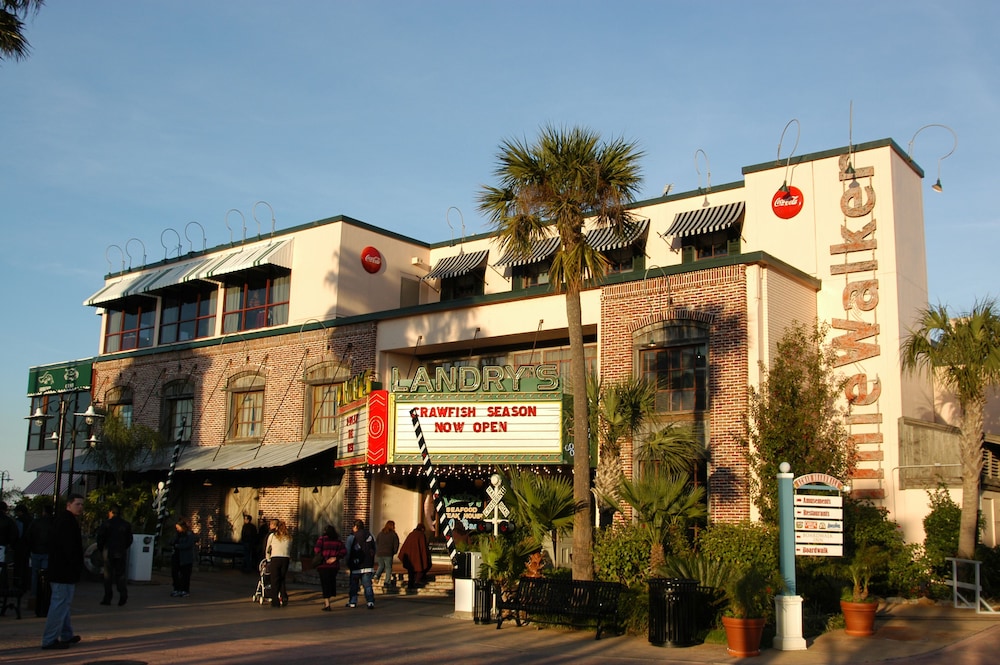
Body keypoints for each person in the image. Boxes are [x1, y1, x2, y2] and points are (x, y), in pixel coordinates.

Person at [40, 493, 85, 650]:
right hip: (64, 571)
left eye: (81, 504)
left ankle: (66, 634)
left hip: (61, 570)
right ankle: (49, 639)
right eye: (77, 504)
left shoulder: (64, 520)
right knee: (60, 604)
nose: (80, 507)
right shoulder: (67, 522)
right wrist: (76, 566)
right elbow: (69, 548)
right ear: (69, 505)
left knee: (63, 603)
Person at [96, 504, 133, 606]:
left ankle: (107, 597)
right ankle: (123, 594)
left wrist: (101, 549)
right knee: (120, 574)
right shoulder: (126, 525)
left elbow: (100, 538)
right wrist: (123, 547)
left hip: (108, 551)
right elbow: (129, 540)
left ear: (111, 512)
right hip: (121, 551)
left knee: (108, 575)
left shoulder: (106, 524)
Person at [25, 504, 54, 606]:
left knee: (35, 574)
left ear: (43, 511)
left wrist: (31, 547)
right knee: (45, 575)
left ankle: (34, 594)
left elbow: (29, 535)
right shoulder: (54, 523)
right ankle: (44, 594)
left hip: (36, 550)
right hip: (47, 551)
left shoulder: (36, 522)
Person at [313, 525, 347, 610]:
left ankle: (327, 603)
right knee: (331, 581)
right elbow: (344, 551)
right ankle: (330, 594)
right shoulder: (338, 541)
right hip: (334, 566)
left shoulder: (322, 539)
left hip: (323, 565)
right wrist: (336, 558)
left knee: (325, 584)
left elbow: (317, 549)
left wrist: (324, 557)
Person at [345, 519, 376, 609]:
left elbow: (348, 551)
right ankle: (370, 601)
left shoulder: (352, 537)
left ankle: (353, 601)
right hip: (368, 565)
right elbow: (374, 548)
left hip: (356, 565)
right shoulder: (370, 535)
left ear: (356, 527)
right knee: (367, 585)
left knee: (354, 585)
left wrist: (348, 562)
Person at [265, 519, 291, 607]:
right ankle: (284, 597)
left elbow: (268, 548)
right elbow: (289, 548)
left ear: (277, 528)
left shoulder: (273, 536)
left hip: (275, 558)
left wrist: (268, 559)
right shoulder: (288, 537)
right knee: (282, 578)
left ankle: (275, 600)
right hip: (285, 558)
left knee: (274, 579)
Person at [399, 523, 432, 589]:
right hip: (418, 557)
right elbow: (424, 547)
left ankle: (410, 584)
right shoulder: (421, 535)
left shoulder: (411, 534)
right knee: (421, 568)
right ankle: (416, 581)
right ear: (422, 529)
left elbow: (405, 546)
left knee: (411, 571)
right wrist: (426, 556)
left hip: (410, 557)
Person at [170, 517, 195, 597]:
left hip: (185, 558)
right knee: (175, 573)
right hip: (177, 556)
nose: (177, 529)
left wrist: (179, 546)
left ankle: (185, 590)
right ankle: (176, 588)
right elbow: (172, 541)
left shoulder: (189, 535)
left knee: (185, 575)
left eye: (178, 527)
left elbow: (188, 545)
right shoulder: (177, 535)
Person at [373, 520, 399, 587]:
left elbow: (377, 543)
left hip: (380, 553)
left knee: (381, 566)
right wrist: (394, 551)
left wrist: (377, 551)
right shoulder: (393, 535)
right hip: (388, 553)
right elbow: (396, 544)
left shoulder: (380, 534)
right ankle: (387, 581)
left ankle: (376, 575)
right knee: (388, 567)